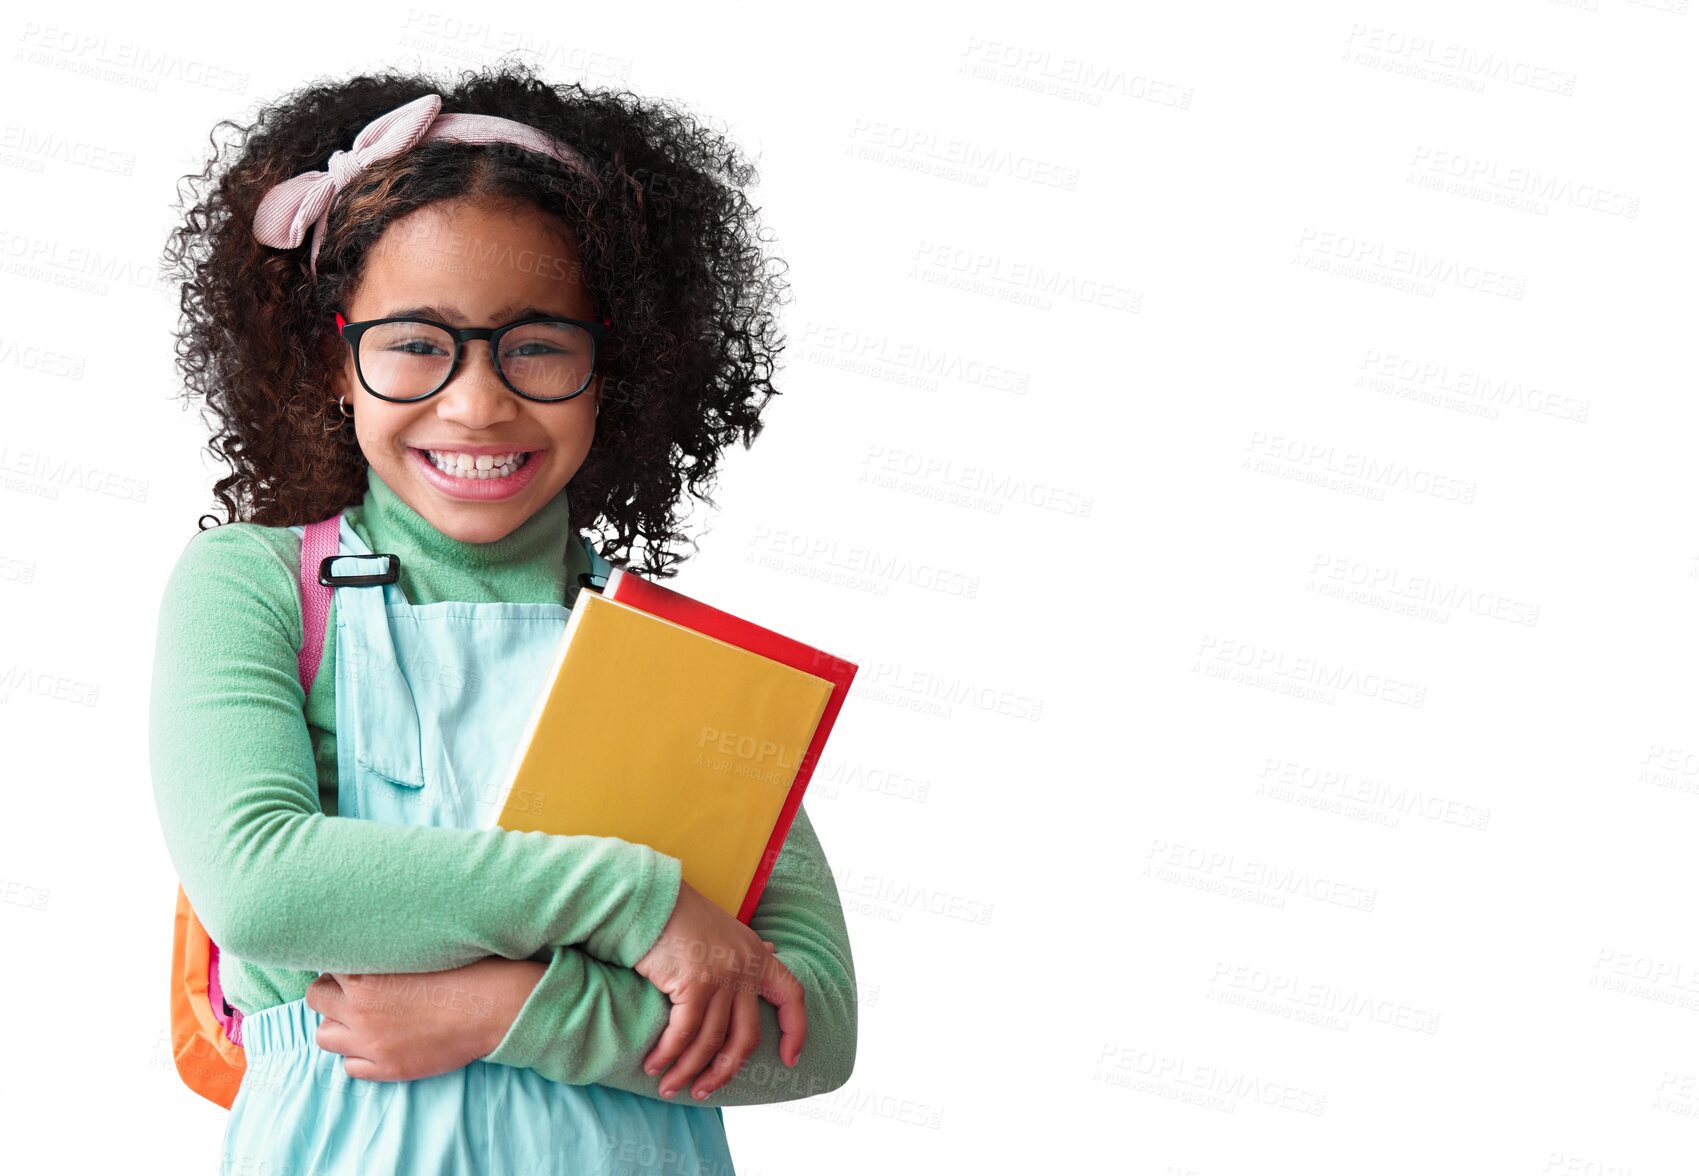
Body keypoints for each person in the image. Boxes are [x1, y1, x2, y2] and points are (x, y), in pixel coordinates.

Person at [150, 62, 857, 1174]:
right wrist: (639, 907)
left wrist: (513, 1011)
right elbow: (262, 885)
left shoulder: (675, 660)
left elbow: (808, 1027)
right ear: (336, 362)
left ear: (609, 370)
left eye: (537, 345)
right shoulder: (255, 588)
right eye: (415, 344)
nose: (478, 402)